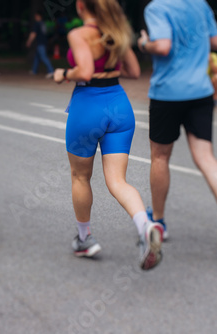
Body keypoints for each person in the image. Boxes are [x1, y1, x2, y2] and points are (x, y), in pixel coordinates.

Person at [53, 0, 164, 270]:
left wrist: (63, 73)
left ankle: (84, 239)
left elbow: (85, 71)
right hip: (119, 106)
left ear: (81, 5)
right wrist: (110, 68)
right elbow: (135, 72)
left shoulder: (79, 34)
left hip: (87, 107)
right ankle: (145, 226)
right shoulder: (116, 33)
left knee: (80, 176)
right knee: (117, 181)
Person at [138, 0, 217, 260]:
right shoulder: (201, 5)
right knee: (206, 157)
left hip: (168, 92)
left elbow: (163, 46)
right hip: (201, 91)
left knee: (160, 157)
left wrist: (144, 44)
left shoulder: (157, 7)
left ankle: (159, 223)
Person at [26, 12, 54, 79]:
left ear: (38, 16)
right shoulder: (43, 24)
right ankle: (34, 70)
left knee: (43, 57)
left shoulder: (37, 24)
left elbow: (33, 33)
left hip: (40, 42)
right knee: (37, 57)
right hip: (44, 42)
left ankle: (51, 71)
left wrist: (29, 41)